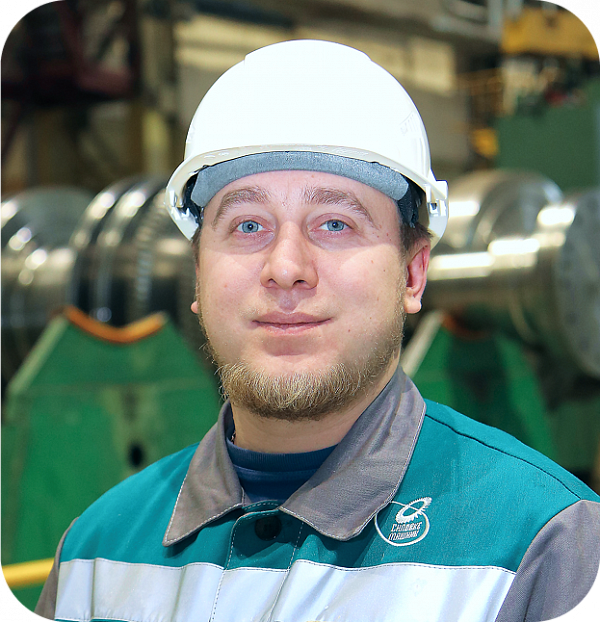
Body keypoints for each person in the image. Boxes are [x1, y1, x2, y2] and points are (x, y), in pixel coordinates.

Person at [35, 39, 599, 622]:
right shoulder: (94, 558)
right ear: (199, 276)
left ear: (412, 273)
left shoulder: (542, 552)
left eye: (335, 224)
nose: (285, 268)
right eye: (247, 225)